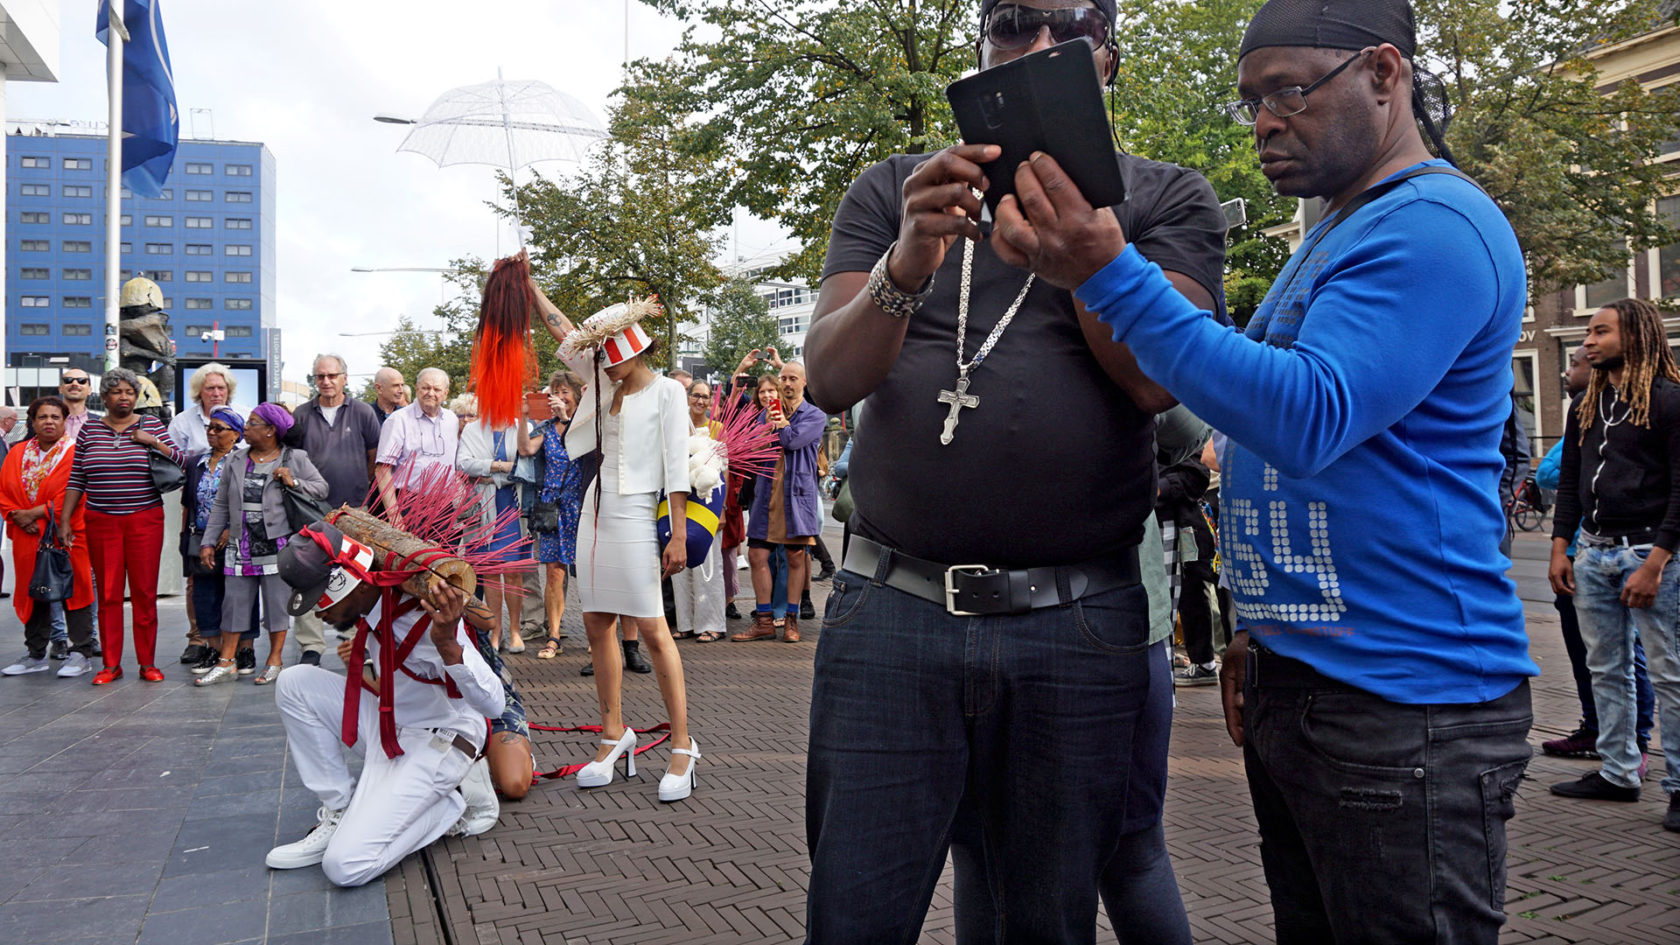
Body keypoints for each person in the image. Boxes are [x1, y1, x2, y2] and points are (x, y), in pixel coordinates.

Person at [1046, 0, 1538, 939]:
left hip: (1404, 708)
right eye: (1252, 101)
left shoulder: (1433, 226)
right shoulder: (1340, 231)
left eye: (1289, 92)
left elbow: (1308, 415)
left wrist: (1110, 272)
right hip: (1320, 687)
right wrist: (1266, 630)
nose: (1265, 122)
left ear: (1385, 74)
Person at [798, 0, 1228, 938]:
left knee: (1048, 917)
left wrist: (1087, 255)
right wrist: (905, 263)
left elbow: (1159, 380)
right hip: (891, 611)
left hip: (1076, 623)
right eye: (1010, 20)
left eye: (1068, 26)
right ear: (981, 46)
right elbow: (828, 378)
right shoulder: (896, 191)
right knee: (854, 913)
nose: (1034, 44)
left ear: (1106, 58)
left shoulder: (1165, 198)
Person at [265, 521, 502, 886]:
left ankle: (454, 799)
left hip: (441, 740)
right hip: (393, 726)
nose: (318, 614)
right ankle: (340, 810)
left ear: (355, 583)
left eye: (320, 599)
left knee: (344, 866)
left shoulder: (426, 619)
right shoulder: (374, 605)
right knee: (294, 683)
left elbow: (494, 705)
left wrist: (447, 645)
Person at [540, 286, 701, 803]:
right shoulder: (603, 383)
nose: (602, 364)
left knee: (653, 628)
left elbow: (677, 467)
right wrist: (530, 286)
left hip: (636, 511)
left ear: (634, 349)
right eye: (600, 358)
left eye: (610, 356)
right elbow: (566, 334)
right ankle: (613, 735)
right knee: (595, 623)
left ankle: (682, 745)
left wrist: (678, 533)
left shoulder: (667, 392)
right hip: (595, 509)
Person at [1547, 298, 1680, 834]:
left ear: (1637, 336)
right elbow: (1571, 482)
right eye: (1588, 332)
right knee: (1606, 669)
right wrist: (1561, 547)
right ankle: (1619, 772)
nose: (1588, 342)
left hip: (1649, 554)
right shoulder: (1587, 405)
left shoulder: (1669, 401)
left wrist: (1657, 561)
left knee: (1670, 673)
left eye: (1600, 332)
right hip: (1593, 552)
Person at [1536, 347, 1657, 764]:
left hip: (1620, 551)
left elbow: (1548, 472)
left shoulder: (1629, 411)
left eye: (1574, 364)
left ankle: (1636, 743)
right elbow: (1564, 480)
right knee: (1594, 655)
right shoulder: (1585, 412)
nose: (1567, 371)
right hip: (1581, 552)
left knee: (1629, 655)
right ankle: (1601, 733)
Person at [59, 368, 187, 685]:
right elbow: (77, 477)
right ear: (104, 397)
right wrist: (65, 519)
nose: (124, 397)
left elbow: (182, 461)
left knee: (144, 593)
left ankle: (147, 663)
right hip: (101, 520)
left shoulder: (151, 425)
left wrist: (153, 442)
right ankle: (111, 665)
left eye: (130, 392)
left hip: (144, 519)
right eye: (117, 392)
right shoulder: (90, 430)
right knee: (108, 595)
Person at [198, 404, 329, 686]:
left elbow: (322, 488)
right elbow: (221, 504)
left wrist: (293, 481)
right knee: (234, 603)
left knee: (276, 605)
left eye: (252, 423)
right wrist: (208, 541)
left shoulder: (294, 457)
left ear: (271, 430)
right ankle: (226, 661)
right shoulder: (236, 459)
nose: (245, 428)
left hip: (277, 543)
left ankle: (274, 661)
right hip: (240, 544)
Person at [285, 354, 385, 667]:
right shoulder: (302, 414)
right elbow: (293, 459)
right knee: (307, 572)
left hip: (353, 508)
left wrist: (360, 491)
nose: (326, 381)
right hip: (310, 509)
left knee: (355, 573)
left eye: (332, 375)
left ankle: (355, 640)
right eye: (320, 376)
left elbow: (374, 457)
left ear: (344, 377)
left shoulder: (363, 412)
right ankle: (311, 646)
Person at [0, 397, 97, 679]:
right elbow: (5, 490)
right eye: (42, 417)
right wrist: (18, 515)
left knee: (75, 591)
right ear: (32, 422)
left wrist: (34, 514)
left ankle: (81, 653)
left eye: (55, 417)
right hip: (27, 535)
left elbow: (76, 493)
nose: (49, 422)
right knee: (34, 591)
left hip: (67, 534)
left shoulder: (75, 452)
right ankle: (35, 654)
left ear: (65, 420)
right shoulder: (17, 452)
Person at [732, 368, 822, 643]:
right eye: (783, 378)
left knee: (795, 557)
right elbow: (754, 447)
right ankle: (764, 621)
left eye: (793, 378)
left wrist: (780, 423)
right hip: (766, 493)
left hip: (796, 496)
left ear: (804, 382)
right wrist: (766, 427)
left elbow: (792, 441)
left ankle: (791, 620)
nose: (787, 383)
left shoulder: (814, 415)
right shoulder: (765, 414)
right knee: (757, 555)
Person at [182, 407, 257, 678]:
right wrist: (186, 537)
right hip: (202, 538)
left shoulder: (244, 461)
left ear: (235, 434)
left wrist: (229, 528)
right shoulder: (196, 463)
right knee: (205, 595)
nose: (212, 432)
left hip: (235, 538)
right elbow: (188, 503)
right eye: (209, 427)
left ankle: (245, 649)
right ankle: (213, 648)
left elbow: (250, 499)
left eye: (219, 428)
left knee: (240, 595)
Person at [520, 371, 586, 659]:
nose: (559, 397)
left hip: (580, 506)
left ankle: (596, 636)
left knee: (586, 573)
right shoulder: (545, 427)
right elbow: (525, 449)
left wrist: (567, 420)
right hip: (552, 506)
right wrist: (523, 416)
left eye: (564, 392)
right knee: (554, 572)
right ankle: (554, 635)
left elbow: (581, 450)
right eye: (554, 392)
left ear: (576, 396)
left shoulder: (584, 424)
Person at [458, 398, 528, 653]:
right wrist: (497, 466)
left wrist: (490, 474)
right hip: (484, 506)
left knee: (513, 570)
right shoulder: (473, 429)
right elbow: (463, 463)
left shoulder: (522, 426)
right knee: (489, 572)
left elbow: (526, 466)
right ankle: (496, 630)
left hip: (513, 505)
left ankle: (515, 631)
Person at [672, 381, 727, 642]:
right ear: (688, 397)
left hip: (708, 501)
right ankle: (685, 622)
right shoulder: (674, 427)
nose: (700, 401)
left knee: (709, 564)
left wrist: (722, 509)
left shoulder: (718, 429)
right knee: (679, 564)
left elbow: (726, 470)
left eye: (705, 397)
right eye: (696, 395)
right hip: (679, 501)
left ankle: (712, 623)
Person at [374, 368, 459, 525]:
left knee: (443, 543)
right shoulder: (398, 420)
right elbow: (382, 470)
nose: (430, 393)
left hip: (444, 506)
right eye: (426, 388)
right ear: (417, 388)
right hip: (408, 504)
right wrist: (394, 516)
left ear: (445, 393)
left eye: (437, 389)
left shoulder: (452, 420)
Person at [168, 362, 240, 457]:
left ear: (229, 390)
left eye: (221, 388)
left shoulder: (247, 416)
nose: (216, 394)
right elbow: (172, 459)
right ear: (199, 392)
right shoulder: (181, 422)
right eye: (210, 388)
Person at [56, 368, 100, 442]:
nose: (74, 384)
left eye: (81, 381)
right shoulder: (46, 421)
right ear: (60, 389)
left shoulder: (101, 423)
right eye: (68, 380)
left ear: (89, 390)